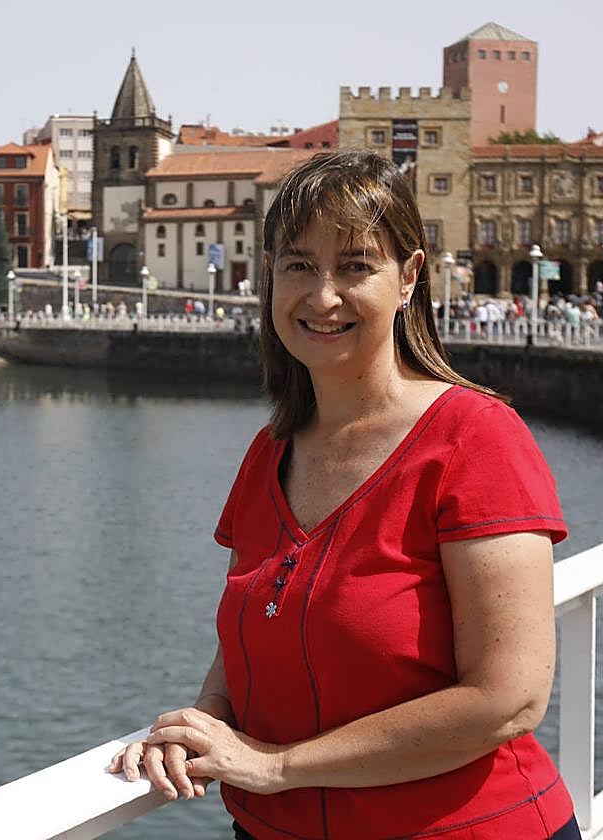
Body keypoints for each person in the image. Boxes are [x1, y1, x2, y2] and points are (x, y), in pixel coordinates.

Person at [109, 150, 577, 839]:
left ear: (409, 278)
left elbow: (508, 698)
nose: (323, 296)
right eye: (299, 266)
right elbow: (250, 632)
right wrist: (204, 720)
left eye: (355, 266)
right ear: (271, 277)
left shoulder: (475, 439)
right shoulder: (271, 453)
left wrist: (276, 765)